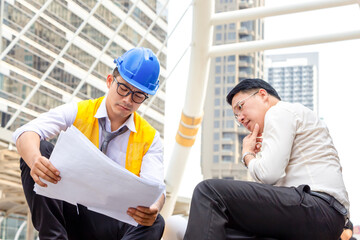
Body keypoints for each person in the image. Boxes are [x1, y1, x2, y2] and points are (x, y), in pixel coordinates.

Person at [14, 47, 165, 240]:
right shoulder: (79, 111)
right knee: (41, 150)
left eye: (138, 95)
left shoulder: (150, 138)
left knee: (156, 221)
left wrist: (153, 208)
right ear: (110, 81)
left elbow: (155, 188)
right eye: (124, 88)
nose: (128, 100)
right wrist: (35, 159)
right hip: (71, 211)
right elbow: (26, 132)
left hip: (112, 225)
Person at [184, 78, 350, 240]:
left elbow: (269, 175)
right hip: (326, 215)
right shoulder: (293, 116)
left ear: (263, 95)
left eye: (240, 107)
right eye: (236, 116)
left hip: (317, 207)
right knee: (226, 228)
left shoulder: (279, 111)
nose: (240, 118)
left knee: (208, 192)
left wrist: (247, 155)